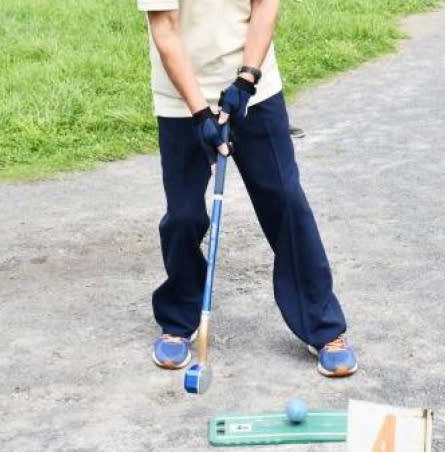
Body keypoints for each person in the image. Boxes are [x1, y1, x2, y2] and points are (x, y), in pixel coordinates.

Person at [139, 0, 358, 377]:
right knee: (184, 214)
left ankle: (323, 326)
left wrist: (246, 79)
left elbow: (265, 6)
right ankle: (177, 318)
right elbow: (165, 29)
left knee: (285, 200)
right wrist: (200, 114)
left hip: (254, 89)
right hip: (182, 97)